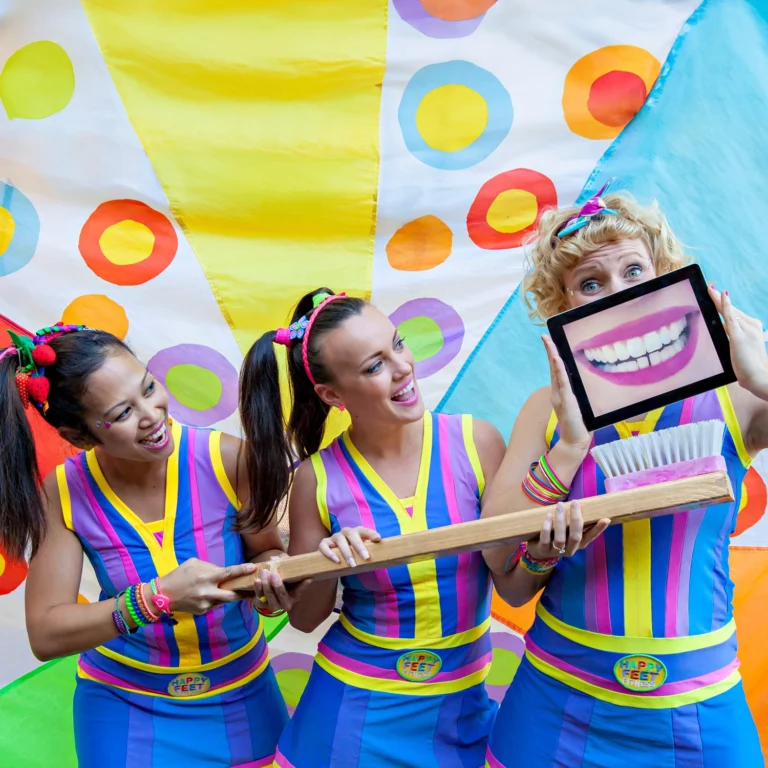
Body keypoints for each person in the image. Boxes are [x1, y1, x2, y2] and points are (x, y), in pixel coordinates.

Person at [481, 182, 766, 767]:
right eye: (591, 283)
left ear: (664, 274)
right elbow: (505, 576)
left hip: (700, 704)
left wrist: (763, 381)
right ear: (565, 308)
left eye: (634, 271)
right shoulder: (546, 407)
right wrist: (568, 447)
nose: (617, 293)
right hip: (558, 700)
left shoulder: (738, 393)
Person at [239, 287, 530, 767]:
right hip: (353, 718)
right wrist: (329, 559)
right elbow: (305, 618)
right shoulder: (317, 476)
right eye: (374, 366)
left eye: (397, 344)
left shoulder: (478, 442)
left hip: (461, 712)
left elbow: (514, 585)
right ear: (332, 395)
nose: (402, 368)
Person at [0, 323, 304, 767]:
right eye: (123, 413)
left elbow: (265, 552)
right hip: (124, 706)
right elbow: (46, 633)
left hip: (241, 694)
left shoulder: (229, 459)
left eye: (149, 387)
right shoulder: (63, 491)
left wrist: (275, 581)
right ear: (81, 438)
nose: (152, 414)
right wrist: (155, 599)